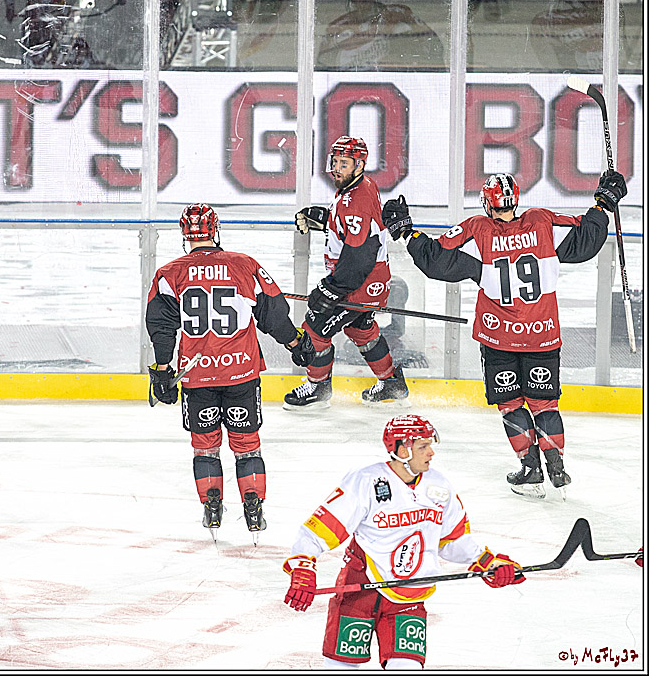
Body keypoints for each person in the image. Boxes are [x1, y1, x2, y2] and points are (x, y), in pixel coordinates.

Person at [382, 170, 623, 498]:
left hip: (499, 337)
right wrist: (603, 204)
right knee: (544, 404)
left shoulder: (477, 230)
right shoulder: (542, 223)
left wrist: (406, 232)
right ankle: (556, 464)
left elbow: (436, 262)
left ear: (486, 203)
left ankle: (530, 468)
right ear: (516, 199)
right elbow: (585, 242)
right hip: (542, 334)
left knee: (511, 405)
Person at [283, 414, 526, 669]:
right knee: (340, 669)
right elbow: (319, 530)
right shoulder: (366, 481)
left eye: (430, 445)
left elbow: (452, 539)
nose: (431, 453)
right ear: (400, 449)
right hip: (360, 589)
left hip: (410, 596)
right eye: (423, 446)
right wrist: (303, 567)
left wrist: (486, 562)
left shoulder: (439, 487)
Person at [145, 204, 315, 541]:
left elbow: (161, 326)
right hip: (241, 372)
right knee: (247, 445)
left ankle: (211, 506)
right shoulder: (244, 265)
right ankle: (253, 505)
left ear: (184, 235)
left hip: (197, 376)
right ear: (215, 231)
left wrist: (163, 371)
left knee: (205, 446)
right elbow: (274, 314)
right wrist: (296, 343)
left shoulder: (169, 273)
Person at [286, 135, 409, 411]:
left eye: (344, 163)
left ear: (360, 164)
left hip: (360, 285)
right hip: (366, 282)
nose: (337, 168)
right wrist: (326, 218)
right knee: (360, 328)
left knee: (316, 327)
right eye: (336, 162)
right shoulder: (358, 187)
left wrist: (329, 289)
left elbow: (358, 258)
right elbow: (353, 231)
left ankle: (318, 387)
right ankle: (391, 383)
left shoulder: (357, 199)